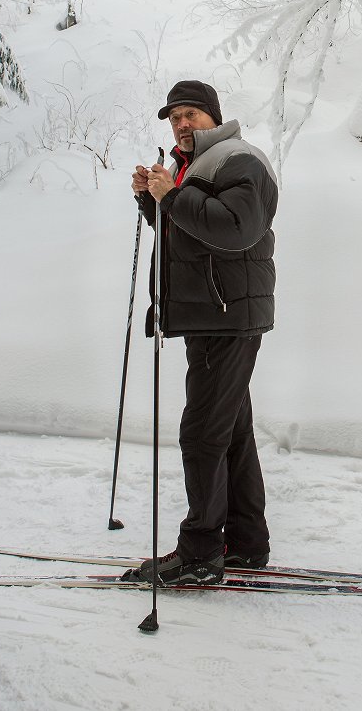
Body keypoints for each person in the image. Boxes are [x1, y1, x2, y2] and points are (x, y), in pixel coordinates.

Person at [128, 80, 278, 585]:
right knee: (230, 433)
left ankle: (199, 555)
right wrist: (154, 202)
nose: (182, 124)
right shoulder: (191, 167)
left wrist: (171, 195)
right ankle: (246, 544)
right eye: (174, 118)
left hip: (226, 316)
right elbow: (191, 236)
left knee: (202, 434)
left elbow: (237, 229)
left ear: (213, 116)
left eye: (190, 114)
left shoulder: (239, 159)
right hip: (212, 315)